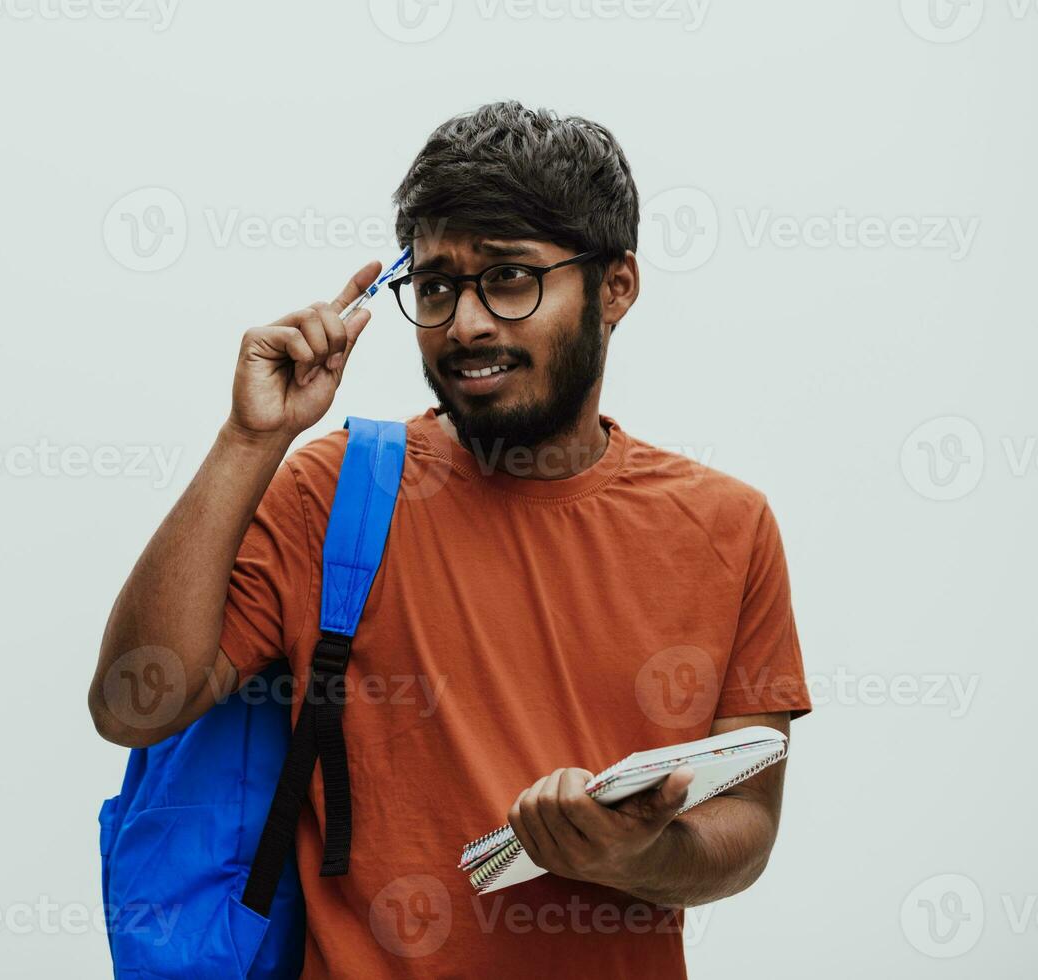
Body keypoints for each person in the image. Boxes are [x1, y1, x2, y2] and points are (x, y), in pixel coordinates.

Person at [89, 100, 811, 978]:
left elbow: (748, 825)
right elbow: (133, 706)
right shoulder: (336, 489)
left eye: (508, 279)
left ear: (614, 287)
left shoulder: (728, 527)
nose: (464, 323)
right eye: (434, 286)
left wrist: (630, 857)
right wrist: (250, 439)